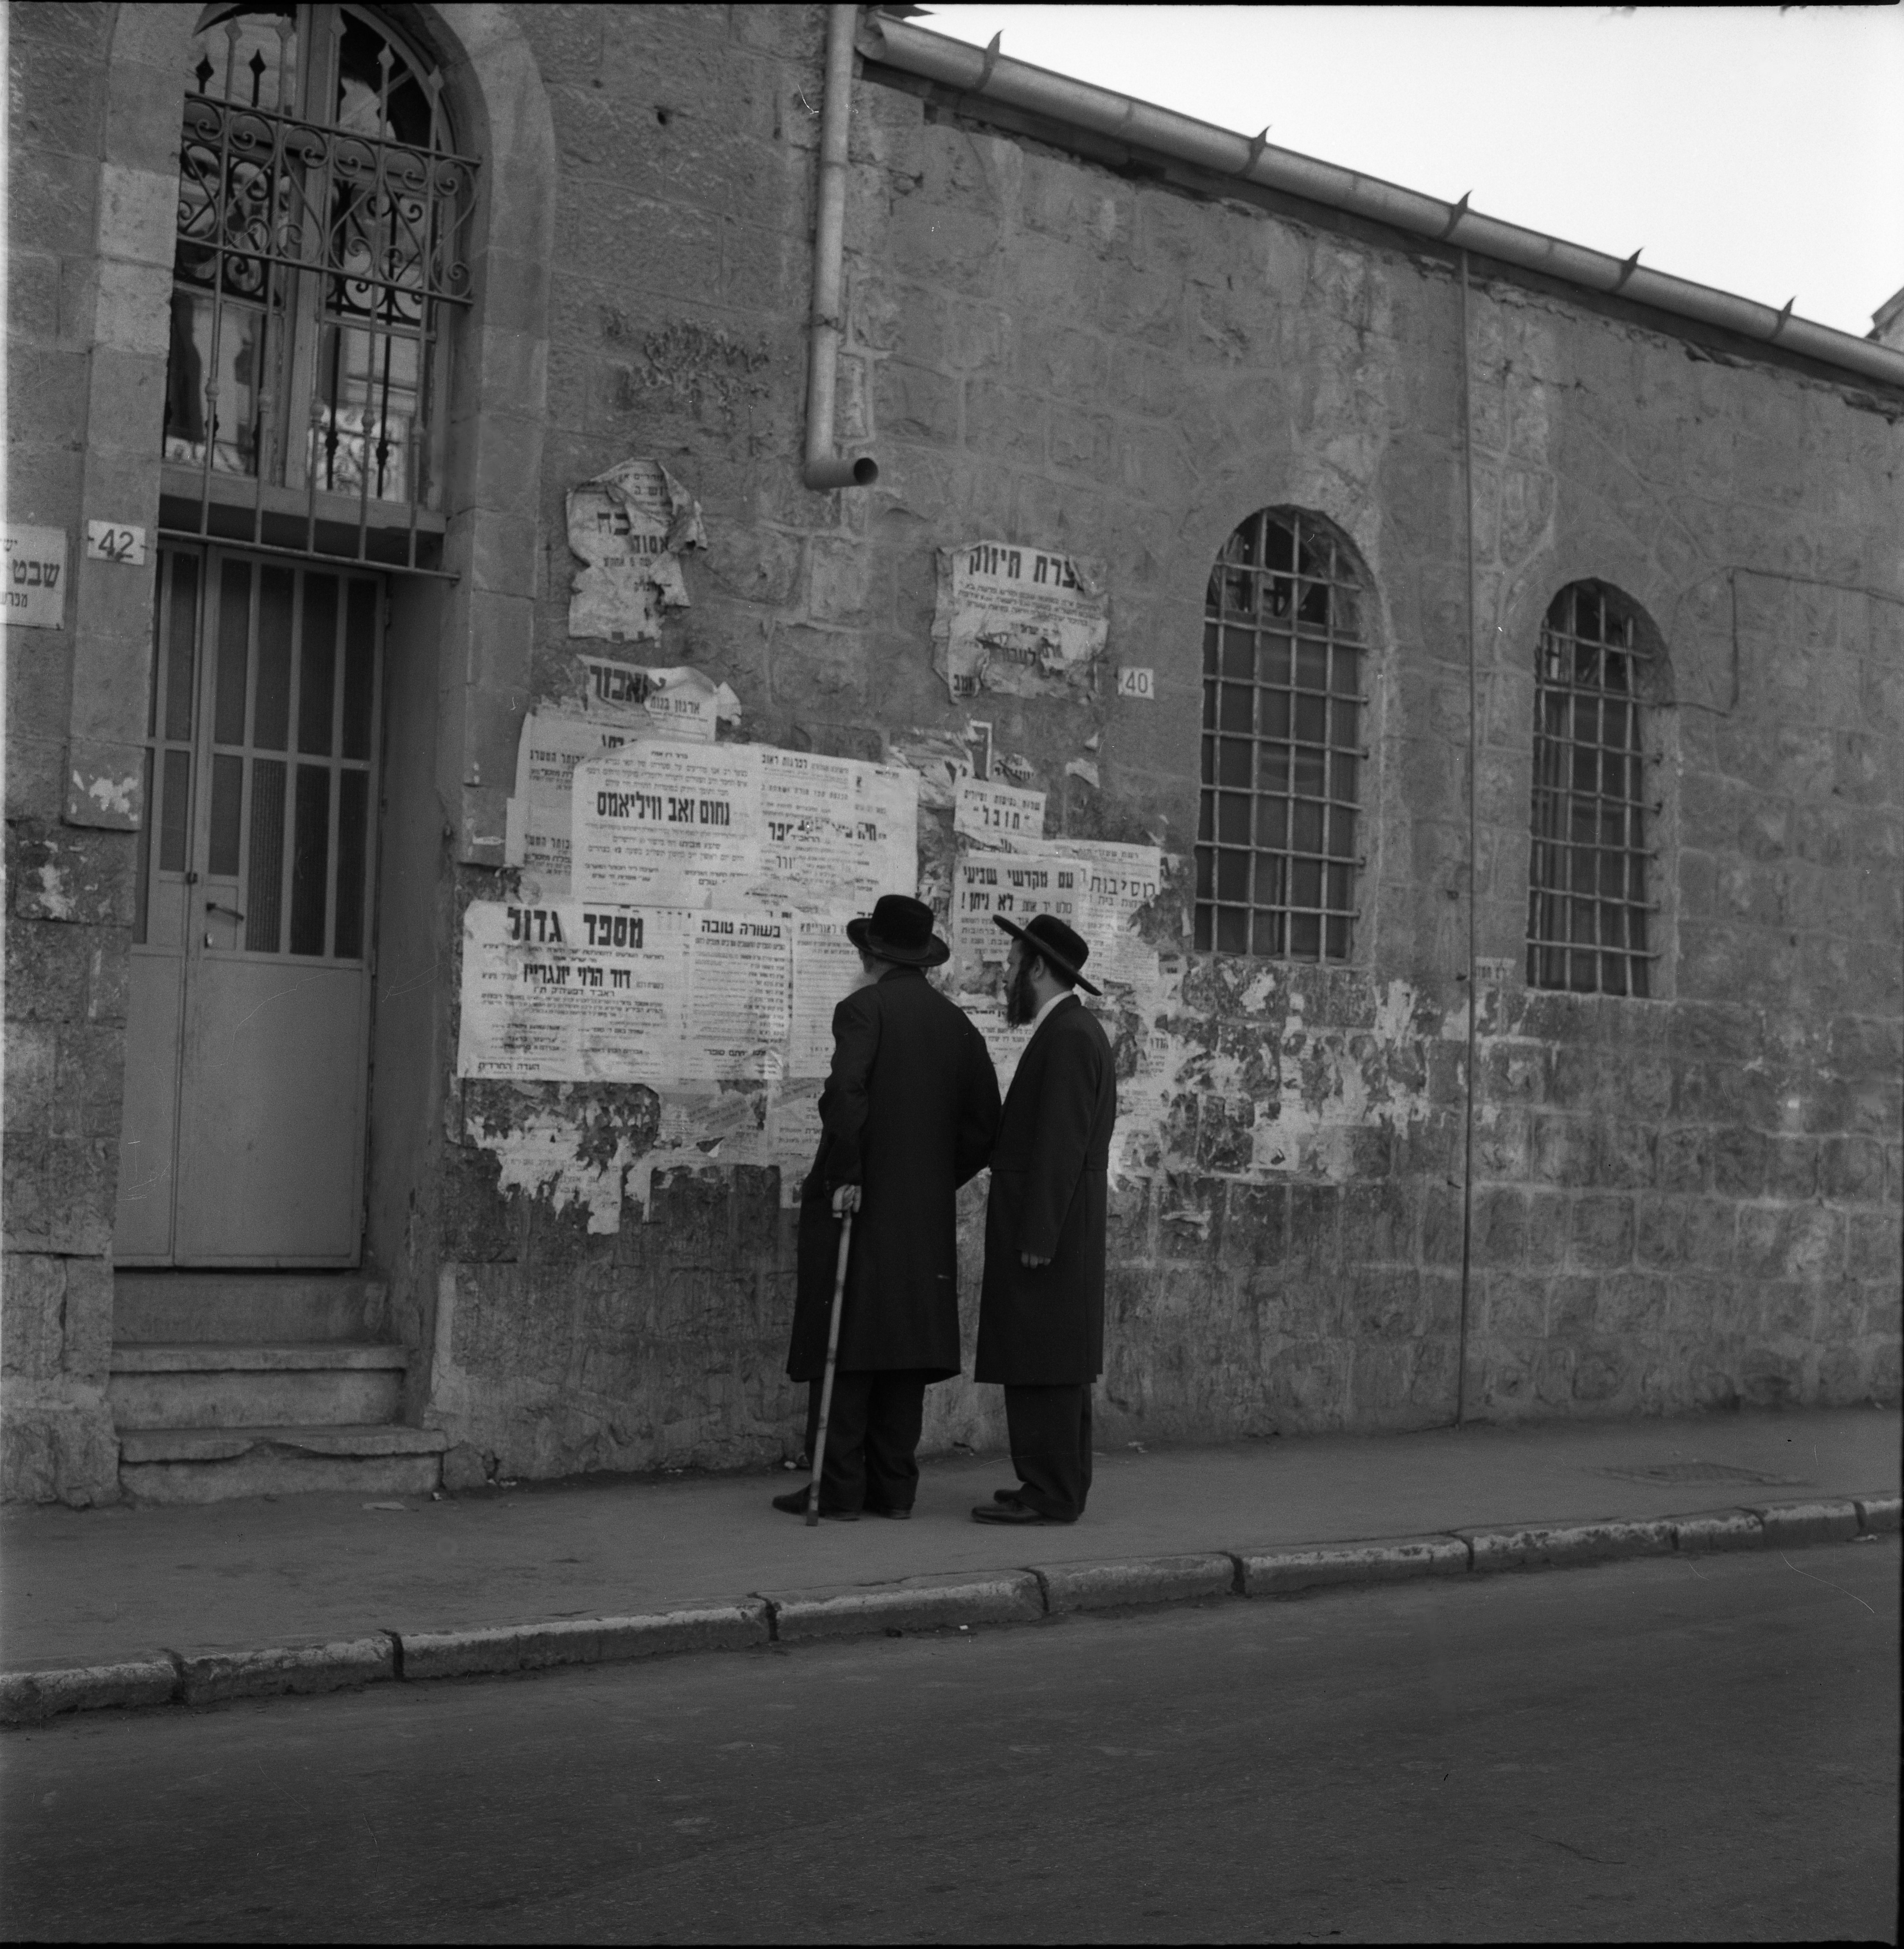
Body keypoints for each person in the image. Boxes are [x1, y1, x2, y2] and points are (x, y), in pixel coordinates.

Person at [776, 894, 1000, 1521]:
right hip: (921, 1215)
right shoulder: (958, 1025)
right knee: (901, 1345)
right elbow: (985, 1127)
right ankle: (894, 1490)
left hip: (859, 1202)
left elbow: (845, 1093)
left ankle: (839, 1488)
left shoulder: (863, 1008)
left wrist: (850, 1173)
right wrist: (930, 1181)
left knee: (845, 1340)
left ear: (870, 955)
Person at [970, 913, 1117, 1525]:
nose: (1005, 974)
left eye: (1010, 963)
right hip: (1051, 1227)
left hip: (1048, 1232)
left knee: (1048, 1363)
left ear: (1035, 966)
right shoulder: (1068, 1030)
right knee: (1043, 1360)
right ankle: (1047, 1484)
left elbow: (1060, 1144)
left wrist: (1037, 1234)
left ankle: (1051, 1492)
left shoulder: (1070, 1035)